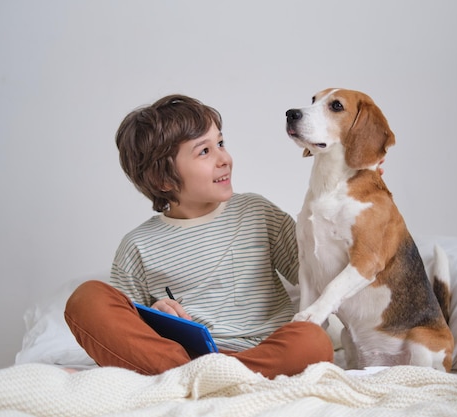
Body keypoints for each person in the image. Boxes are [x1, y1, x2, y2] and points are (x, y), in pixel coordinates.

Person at [64, 94, 334, 379]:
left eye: (220, 143)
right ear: (163, 180)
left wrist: (353, 188)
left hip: (266, 353)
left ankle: (200, 380)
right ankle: (201, 377)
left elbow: (318, 276)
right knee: (87, 298)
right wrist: (156, 313)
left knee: (312, 340)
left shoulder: (256, 212)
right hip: (186, 358)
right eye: (204, 151)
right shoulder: (138, 246)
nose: (224, 159)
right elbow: (127, 330)